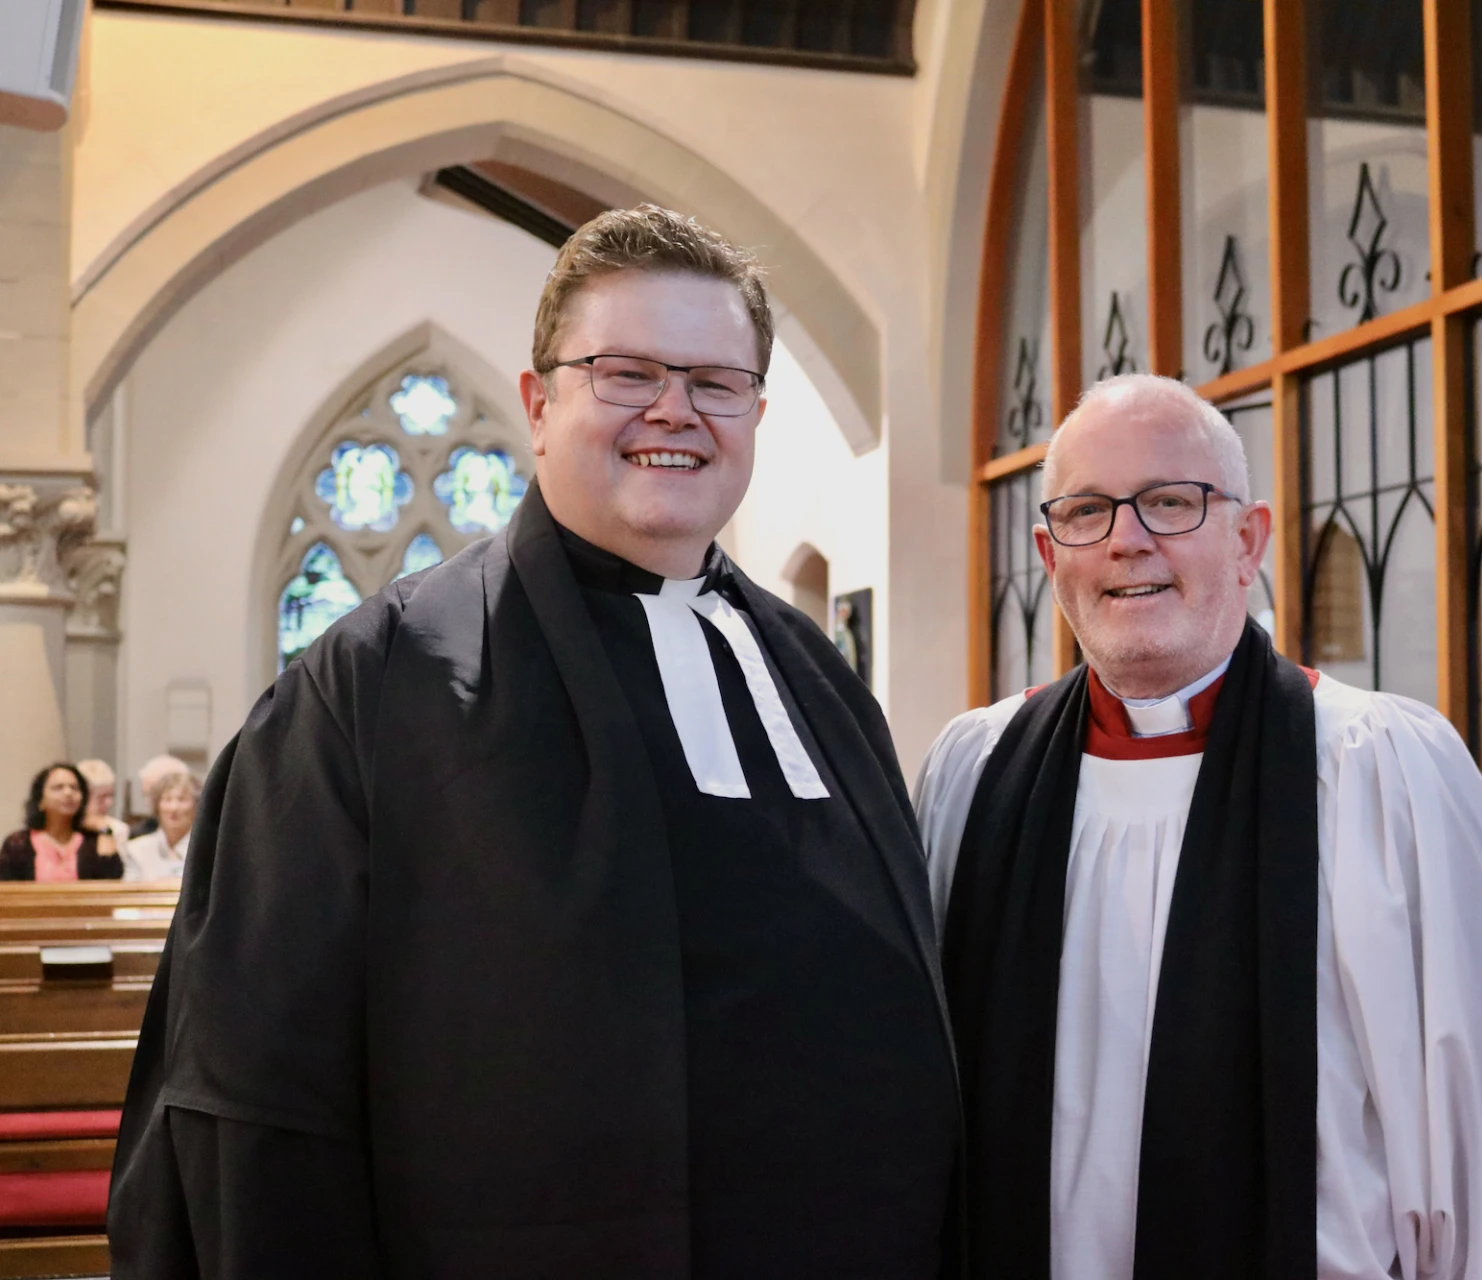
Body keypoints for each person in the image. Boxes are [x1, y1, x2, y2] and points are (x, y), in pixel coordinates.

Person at [108, 206, 958, 1278]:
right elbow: (256, 1096)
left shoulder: (817, 676)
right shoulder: (375, 682)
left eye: (715, 381)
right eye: (627, 371)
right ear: (538, 403)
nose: (675, 410)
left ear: (754, 409)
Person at [916, 374, 1482, 1280]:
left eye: (1171, 503)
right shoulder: (975, 770)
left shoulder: (1375, 764)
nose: (1128, 541)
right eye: (1088, 512)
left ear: (1248, 540)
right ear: (1048, 550)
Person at [1, 763, 125, 881]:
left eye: (75, 788)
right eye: (58, 788)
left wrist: (105, 829)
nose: (68, 793)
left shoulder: (92, 841)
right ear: (40, 801)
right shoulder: (19, 845)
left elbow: (112, 878)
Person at [121, 772, 199, 882]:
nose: (174, 808)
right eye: (167, 799)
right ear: (157, 806)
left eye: (181, 799)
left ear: (196, 806)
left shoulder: (208, 849)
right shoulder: (136, 850)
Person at [75, 758, 133, 854]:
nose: (109, 803)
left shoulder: (118, 829)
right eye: (101, 797)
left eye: (111, 795)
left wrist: (105, 829)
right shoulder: (65, 827)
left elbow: (109, 866)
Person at [127, 755, 190, 839]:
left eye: (154, 795)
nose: (148, 802)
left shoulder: (206, 834)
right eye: (146, 794)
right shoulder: (137, 835)